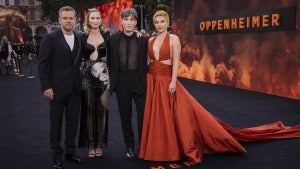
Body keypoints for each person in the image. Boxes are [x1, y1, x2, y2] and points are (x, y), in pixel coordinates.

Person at [139, 10, 300, 164]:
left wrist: (174, 81)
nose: (159, 24)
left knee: (173, 114)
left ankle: (171, 148)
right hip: (152, 80)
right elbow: (149, 61)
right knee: (157, 114)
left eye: (162, 21)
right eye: (156, 22)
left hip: (167, 79)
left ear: (167, 23)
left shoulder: (173, 39)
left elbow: (175, 63)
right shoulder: (150, 40)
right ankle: (157, 146)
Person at [38, 6, 83, 169]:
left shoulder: (79, 37)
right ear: (59, 20)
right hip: (55, 89)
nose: (68, 20)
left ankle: (70, 152)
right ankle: (57, 156)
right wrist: (46, 86)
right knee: (56, 124)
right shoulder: (50, 38)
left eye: (71, 18)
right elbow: (42, 65)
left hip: (75, 89)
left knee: (73, 123)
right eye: (65, 18)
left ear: (75, 20)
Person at [107, 8, 148, 159]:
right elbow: (110, 63)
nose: (129, 22)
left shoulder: (143, 40)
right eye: (126, 19)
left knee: (143, 116)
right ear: (122, 21)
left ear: (136, 22)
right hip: (121, 83)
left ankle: (144, 146)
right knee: (125, 117)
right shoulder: (112, 40)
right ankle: (129, 147)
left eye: (132, 20)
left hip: (139, 81)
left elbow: (148, 62)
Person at [78, 8, 109, 158]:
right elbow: (77, 56)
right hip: (87, 77)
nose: (95, 21)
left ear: (101, 20)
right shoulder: (82, 37)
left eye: (98, 18)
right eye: (92, 18)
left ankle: (100, 144)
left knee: (102, 112)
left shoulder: (107, 36)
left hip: (103, 76)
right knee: (89, 111)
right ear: (88, 20)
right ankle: (91, 145)